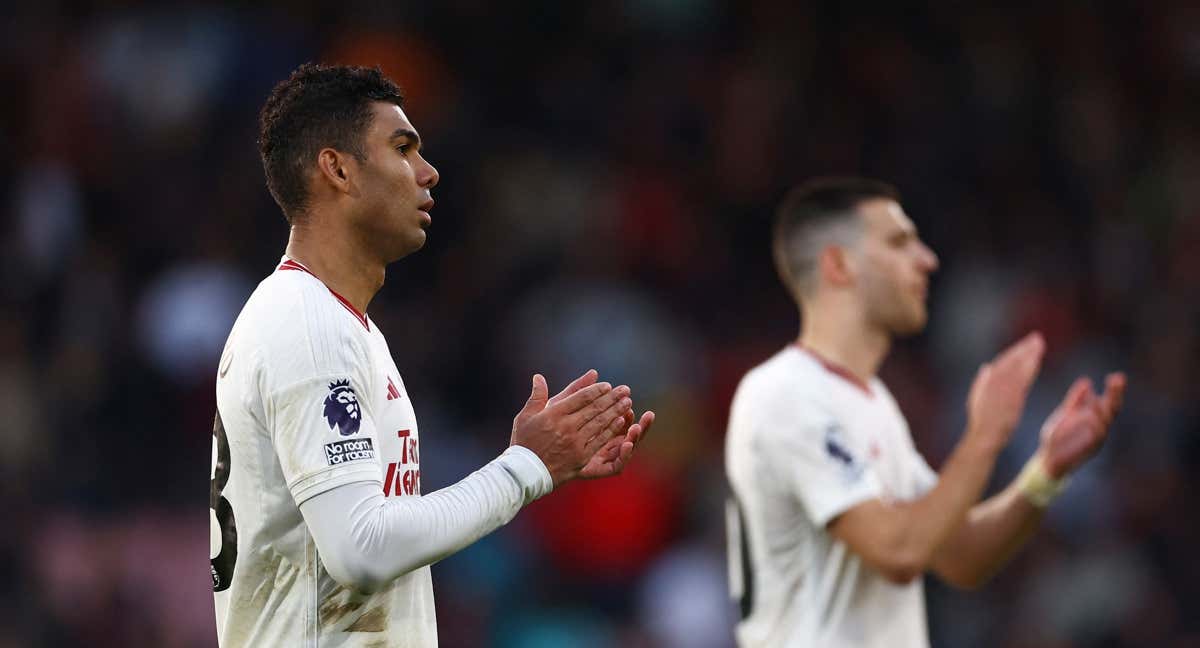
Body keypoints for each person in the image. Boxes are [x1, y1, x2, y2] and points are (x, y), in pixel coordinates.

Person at [209, 63, 655, 647]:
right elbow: (361, 549)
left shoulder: (340, 324)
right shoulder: (308, 323)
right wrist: (524, 467)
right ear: (337, 168)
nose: (428, 171)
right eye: (402, 148)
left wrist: (538, 468)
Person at [724, 177, 1125, 647]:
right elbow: (899, 551)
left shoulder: (871, 404)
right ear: (837, 265)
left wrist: (1045, 472)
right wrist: (985, 436)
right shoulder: (783, 394)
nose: (927, 259)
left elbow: (960, 555)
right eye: (899, 242)